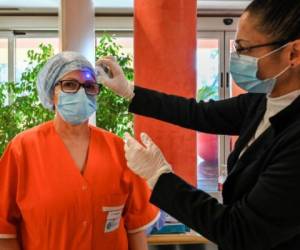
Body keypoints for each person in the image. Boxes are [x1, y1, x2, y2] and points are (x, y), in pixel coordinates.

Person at [97, 0, 300, 249]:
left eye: (245, 48)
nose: (237, 58)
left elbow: (240, 231)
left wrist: (159, 177)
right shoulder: (263, 102)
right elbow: (197, 113)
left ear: (293, 53)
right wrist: (130, 91)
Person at [0, 51, 159, 250]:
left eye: (90, 86)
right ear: (52, 92)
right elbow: (4, 232)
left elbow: (135, 229)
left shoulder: (119, 150)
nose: (81, 93)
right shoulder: (21, 150)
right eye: (69, 84)